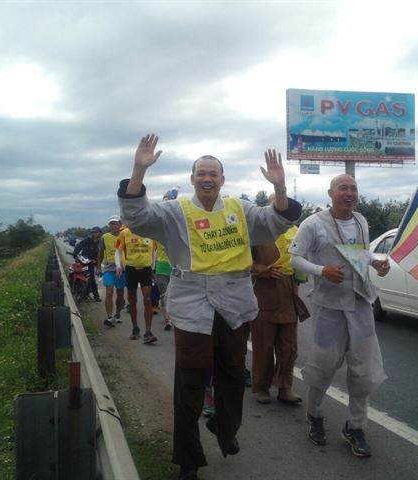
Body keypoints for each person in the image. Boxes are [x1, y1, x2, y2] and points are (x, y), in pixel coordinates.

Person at [118, 133, 301, 480]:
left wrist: (279, 189)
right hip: (192, 304)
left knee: (233, 375)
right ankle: (188, 459)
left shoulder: (239, 208)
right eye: (201, 173)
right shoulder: (175, 212)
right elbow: (137, 217)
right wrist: (138, 170)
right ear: (192, 179)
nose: (207, 178)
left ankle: (225, 428)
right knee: (191, 380)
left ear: (222, 179)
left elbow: (275, 222)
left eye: (213, 173)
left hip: (234, 302)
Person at [289, 173, 390, 458]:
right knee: (322, 367)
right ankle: (315, 415)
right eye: (343, 188)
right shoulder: (313, 224)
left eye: (354, 188)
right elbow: (294, 258)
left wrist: (377, 262)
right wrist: (322, 271)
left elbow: (362, 255)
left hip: (360, 304)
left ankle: (356, 427)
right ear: (330, 192)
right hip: (329, 307)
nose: (350, 193)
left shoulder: (361, 221)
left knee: (363, 369)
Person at [250, 204, 303, 405]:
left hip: (290, 292)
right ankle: (262, 387)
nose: (283, 214)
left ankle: (285, 386)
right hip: (264, 293)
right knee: (264, 344)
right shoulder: (256, 232)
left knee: (289, 346)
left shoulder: (294, 231)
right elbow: (242, 261)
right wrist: (263, 269)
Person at [115, 227, 158, 344]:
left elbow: (154, 252)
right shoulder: (124, 233)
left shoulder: (151, 232)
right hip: (131, 269)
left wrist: (153, 268)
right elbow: (118, 250)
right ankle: (135, 328)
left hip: (146, 269)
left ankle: (148, 332)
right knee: (132, 300)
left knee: (147, 300)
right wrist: (118, 266)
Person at [97, 215, 126, 327]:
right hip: (109, 268)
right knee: (109, 291)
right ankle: (109, 317)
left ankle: (118, 314)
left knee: (120, 293)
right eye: (111, 224)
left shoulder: (124, 235)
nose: (113, 226)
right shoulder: (104, 237)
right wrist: (99, 267)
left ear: (120, 224)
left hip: (122, 269)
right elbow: (100, 253)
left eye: (115, 223)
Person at [72, 226, 102, 302]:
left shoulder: (101, 242)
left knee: (92, 279)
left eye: (95, 232)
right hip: (83, 260)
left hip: (92, 262)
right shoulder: (87, 240)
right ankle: (73, 288)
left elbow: (102, 253)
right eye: (92, 232)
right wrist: (75, 254)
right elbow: (78, 246)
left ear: (99, 233)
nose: (93, 234)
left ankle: (96, 296)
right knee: (74, 272)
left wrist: (96, 261)